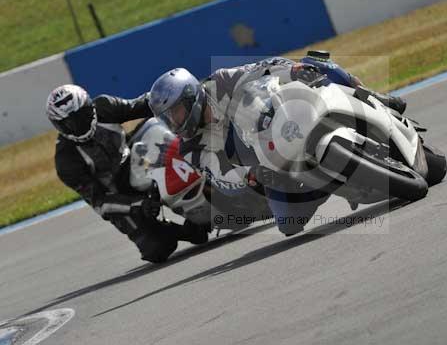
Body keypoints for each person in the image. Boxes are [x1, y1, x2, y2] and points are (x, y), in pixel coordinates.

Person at [148, 54, 406, 234]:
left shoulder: (220, 82)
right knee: (288, 224)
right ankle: (331, 183)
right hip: (268, 163)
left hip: (282, 115)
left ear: (191, 95)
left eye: (176, 113)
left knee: (316, 62)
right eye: (167, 119)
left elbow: (264, 68)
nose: (174, 123)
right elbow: (221, 177)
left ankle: (374, 97)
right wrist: (250, 175)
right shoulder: (189, 148)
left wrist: (293, 70)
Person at [46, 84, 206, 263]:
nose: (78, 125)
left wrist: (179, 95)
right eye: (70, 123)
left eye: (82, 116)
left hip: (134, 162)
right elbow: (100, 202)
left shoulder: (104, 106)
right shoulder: (66, 160)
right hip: (118, 196)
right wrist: (138, 204)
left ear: (90, 107)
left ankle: (204, 170)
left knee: (154, 127)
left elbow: (143, 104)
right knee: (157, 248)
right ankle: (185, 231)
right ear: (59, 126)